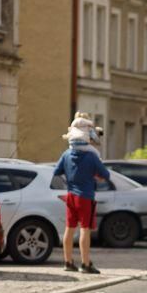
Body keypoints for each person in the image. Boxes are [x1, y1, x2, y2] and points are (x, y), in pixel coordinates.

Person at [53, 114, 111, 273]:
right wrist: (94, 175)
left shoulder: (66, 154)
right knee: (85, 229)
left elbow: (57, 171)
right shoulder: (91, 156)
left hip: (70, 195)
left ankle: (68, 262)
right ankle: (85, 263)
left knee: (69, 228)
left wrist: (70, 175)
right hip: (85, 196)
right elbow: (105, 174)